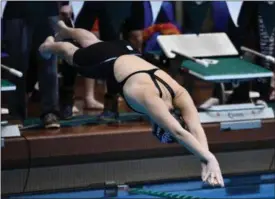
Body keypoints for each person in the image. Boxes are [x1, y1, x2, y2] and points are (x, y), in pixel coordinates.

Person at [39, 21, 224, 187]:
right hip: (106, 62)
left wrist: (206, 159)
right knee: (72, 54)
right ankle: (50, 46)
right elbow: (178, 131)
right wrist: (208, 157)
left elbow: (195, 127)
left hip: (127, 50)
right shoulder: (149, 99)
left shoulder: (179, 93)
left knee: (94, 44)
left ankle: (66, 29)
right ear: (159, 124)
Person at [2, 1, 71, 128]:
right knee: (17, 65)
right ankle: (15, 115)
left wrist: (65, 3)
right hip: (17, 12)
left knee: (49, 64)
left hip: (48, 11)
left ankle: (50, 112)